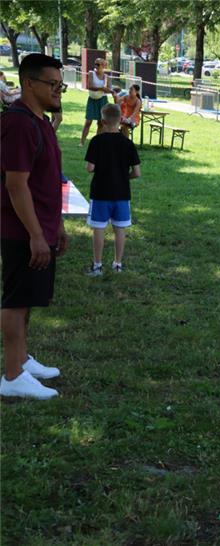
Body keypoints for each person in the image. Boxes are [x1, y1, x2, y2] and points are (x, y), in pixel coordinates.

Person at [0, 54, 67, 399]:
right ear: (29, 83)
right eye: (52, 84)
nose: (59, 91)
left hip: (42, 228)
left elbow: (47, 179)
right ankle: (12, 376)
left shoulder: (40, 121)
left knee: (26, 299)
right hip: (22, 232)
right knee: (15, 300)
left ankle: (22, 361)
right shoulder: (19, 124)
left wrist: (57, 228)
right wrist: (37, 235)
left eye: (61, 85)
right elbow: (16, 185)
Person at [84, 104, 141, 276]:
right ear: (120, 120)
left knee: (99, 229)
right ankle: (118, 264)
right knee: (120, 230)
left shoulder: (96, 141)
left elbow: (89, 167)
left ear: (102, 121)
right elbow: (137, 173)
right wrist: (124, 177)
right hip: (122, 193)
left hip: (100, 192)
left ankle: (97, 265)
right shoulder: (128, 143)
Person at [80, 58, 116, 146]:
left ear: (104, 66)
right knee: (88, 121)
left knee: (101, 123)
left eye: (98, 64)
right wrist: (101, 88)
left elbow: (108, 90)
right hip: (92, 99)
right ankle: (81, 142)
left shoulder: (106, 77)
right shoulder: (91, 73)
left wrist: (110, 91)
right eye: (95, 64)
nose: (96, 66)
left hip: (102, 100)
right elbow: (90, 86)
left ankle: (96, 142)